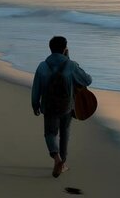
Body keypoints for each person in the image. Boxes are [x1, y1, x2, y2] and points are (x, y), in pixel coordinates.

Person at [31, 36, 92, 178]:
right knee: (64, 133)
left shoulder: (42, 66)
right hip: (66, 106)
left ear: (50, 49)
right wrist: (69, 59)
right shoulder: (70, 65)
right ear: (65, 49)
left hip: (49, 106)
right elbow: (87, 80)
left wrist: (35, 104)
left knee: (50, 133)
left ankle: (56, 158)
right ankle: (62, 163)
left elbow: (36, 88)